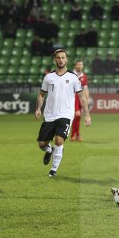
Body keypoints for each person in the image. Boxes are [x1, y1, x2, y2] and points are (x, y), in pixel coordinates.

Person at [35, 49, 91, 178]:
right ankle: (50, 150)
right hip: (49, 115)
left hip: (65, 114)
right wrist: (38, 108)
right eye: (58, 58)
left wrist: (87, 115)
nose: (61, 60)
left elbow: (82, 97)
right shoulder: (48, 77)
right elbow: (41, 95)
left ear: (66, 59)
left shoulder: (73, 77)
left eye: (63, 57)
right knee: (42, 144)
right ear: (55, 60)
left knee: (59, 140)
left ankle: (53, 170)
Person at [70, 59, 89, 142]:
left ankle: (75, 134)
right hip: (73, 97)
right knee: (77, 115)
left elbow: (85, 88)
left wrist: (86, 98)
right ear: (75, 65)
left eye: (81, 65)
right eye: (78, 65)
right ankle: (76, 135)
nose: (80, 66)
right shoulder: (71, 75)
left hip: (81, 98)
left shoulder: (84, 76)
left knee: (78, 117)